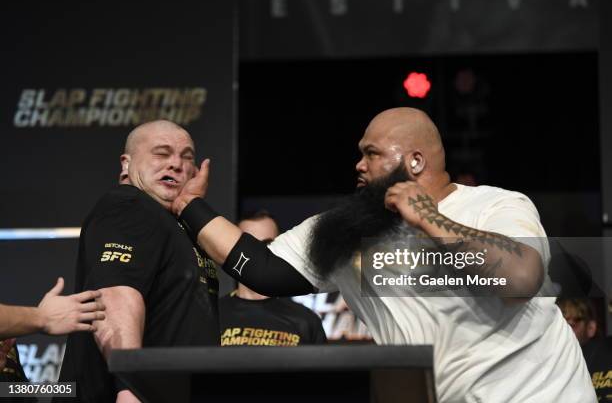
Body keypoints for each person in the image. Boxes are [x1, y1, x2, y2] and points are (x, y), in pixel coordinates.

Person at [173, 107, 596, 402]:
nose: (358, 164)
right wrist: (190, 206)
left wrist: (429, 220)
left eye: (371, 153)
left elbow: (520, 280)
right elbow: (263, 269)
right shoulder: (346, 231)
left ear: (414, 161)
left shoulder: (496, 206)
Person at [57, 120, 219, 403]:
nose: (176, 165)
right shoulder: (130, 205)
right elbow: (114, 296)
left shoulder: (178, 228)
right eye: (161, 153)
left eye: (187, 157)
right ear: (125, 165)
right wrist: (130, 389)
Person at [219, 211, 326, 346]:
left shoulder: (306, 321)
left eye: (267, 243)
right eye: (248, 244)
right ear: (232, 248)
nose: (256, 252)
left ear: (281, 246)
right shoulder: (212, 316)